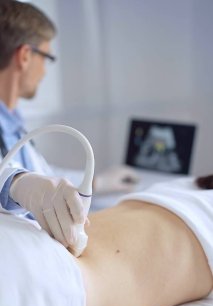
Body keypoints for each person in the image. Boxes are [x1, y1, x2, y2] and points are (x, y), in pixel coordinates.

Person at [0, 175, 212, 306]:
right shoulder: (189, 185)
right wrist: (16, 180)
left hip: (38, 264)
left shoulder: (187, 185)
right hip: (39, 267)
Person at [0, 0, 139, 254]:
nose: (44, 72)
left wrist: (97, 182)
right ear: (25, 56)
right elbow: (18, 178)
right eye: (47, 58)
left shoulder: (12, 120)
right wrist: (15, 184)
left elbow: (42, 177)